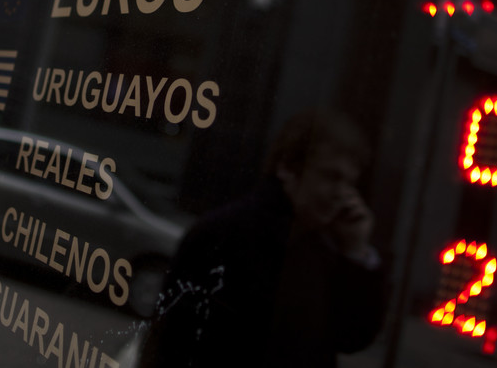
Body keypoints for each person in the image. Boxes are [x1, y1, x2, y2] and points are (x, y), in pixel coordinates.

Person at [139, 107, 387, 368]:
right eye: (331, 177)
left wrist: (356, 250)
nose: (342, 194)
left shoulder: (324, 246)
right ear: (288, 168)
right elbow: (173, 344)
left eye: (349, 183)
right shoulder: (224, 235)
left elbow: (352, 337)